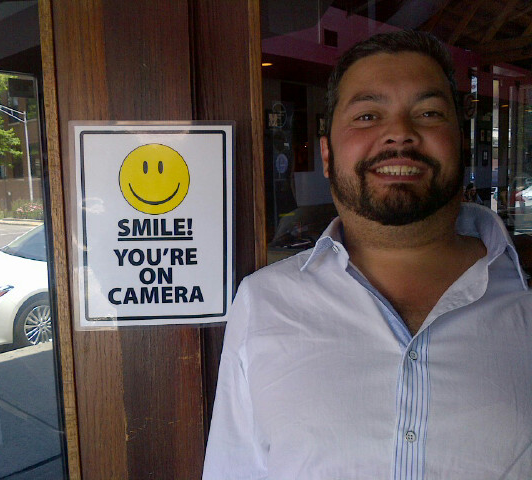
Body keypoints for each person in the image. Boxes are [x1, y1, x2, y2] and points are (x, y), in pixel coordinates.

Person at [203, 30, 532, 480]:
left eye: (429, 113)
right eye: (367, 116)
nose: (400, 133)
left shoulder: (525, 304)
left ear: (461, 144)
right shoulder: (263, 302)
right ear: (327, 154)